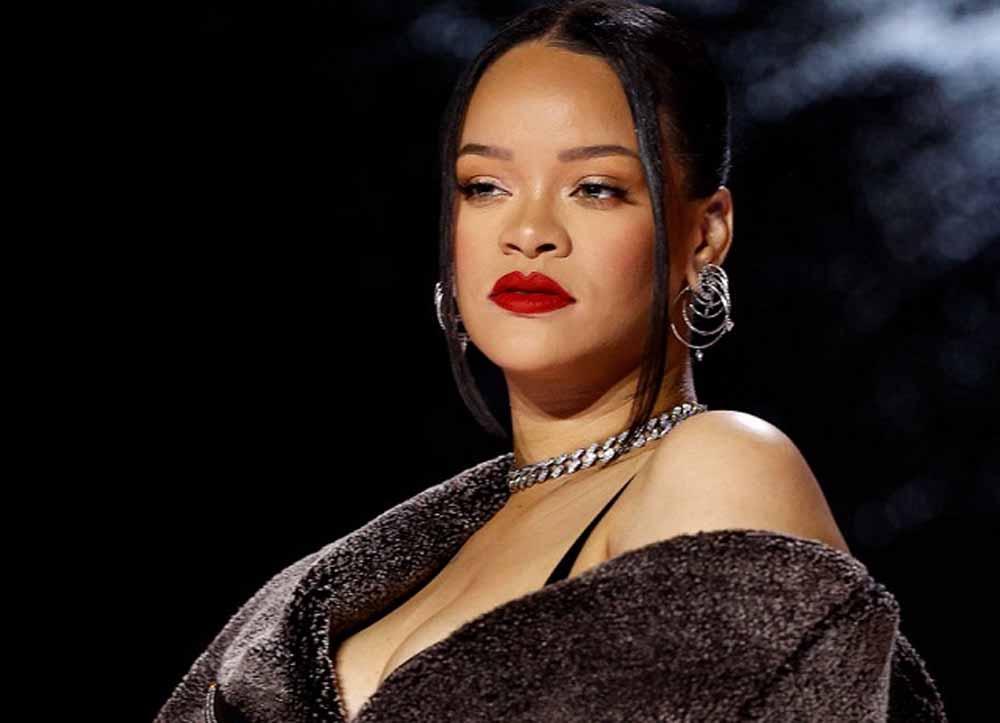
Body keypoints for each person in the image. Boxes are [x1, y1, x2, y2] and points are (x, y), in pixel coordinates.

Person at [155, 1, 947, 721]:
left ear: (705, 233)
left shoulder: (723, 465)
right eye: (484, 186)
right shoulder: (382, 564)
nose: (529, 232)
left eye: (595, 188)